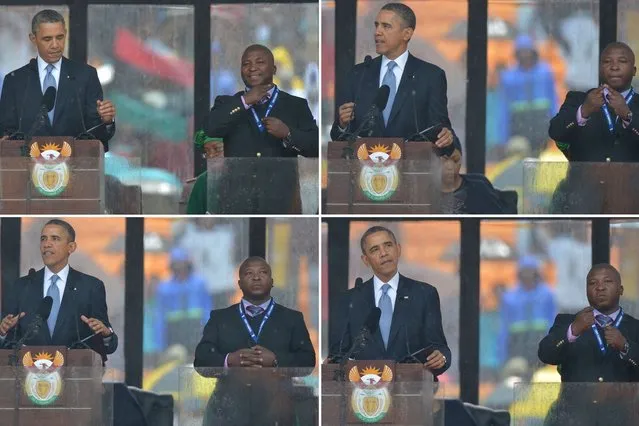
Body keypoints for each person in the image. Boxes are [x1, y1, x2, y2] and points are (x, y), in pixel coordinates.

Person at [194, 256, 316, 425]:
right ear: (239, 283)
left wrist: (275, 360)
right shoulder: (220, 318)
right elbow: (201, 360)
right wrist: (230, 360)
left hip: (277, 413)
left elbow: (308, 362)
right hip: (229, 414)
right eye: (249, 273)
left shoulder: (292, 318)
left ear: (272, 281)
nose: (256, 277)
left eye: (263, 272)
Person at [330, 3, 460, 156]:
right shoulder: (359, 74)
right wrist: (342, 125)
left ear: (407, 34)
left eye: (386, 26)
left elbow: (440, 132)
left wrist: (446, 138)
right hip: (364, 174)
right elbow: (338, 136)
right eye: (376, 25)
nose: (377, 32)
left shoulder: (430, 76)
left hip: (413, 173)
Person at [205, 44, 318, 214]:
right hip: (236, 204)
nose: (252, 68)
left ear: (274, 69)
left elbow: (314, 147)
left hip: (281, 203)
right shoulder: (226, 103)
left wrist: (288, 134)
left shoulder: (296, 105)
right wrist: (245, 101)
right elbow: (211, 128)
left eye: (260, 62)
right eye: (246, 64)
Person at [328, 226, 451, 379]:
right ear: (365, 260)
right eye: (374, 249)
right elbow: (338, 355)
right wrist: (335, 364)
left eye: (388, 245)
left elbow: (440, 348)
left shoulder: (424, 294)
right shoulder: (348, 300)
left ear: (398, 249)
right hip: (363, 393)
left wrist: (441, 358)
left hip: (412, 390)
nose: (384, 253)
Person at [0, 219, 118, 362]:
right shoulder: (22, 286)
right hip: (27, 376)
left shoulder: (91, 287)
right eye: (43, 239)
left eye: (55, 238)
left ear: (71, 247)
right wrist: (2, 332)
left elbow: (108, 344)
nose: (47, 244)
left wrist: (106, 334)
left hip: (75, 378)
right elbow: (7, 340)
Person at [538, 263, 639, 426]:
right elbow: (545, 354)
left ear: (621, 289)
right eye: (593, 283)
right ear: (586, 290)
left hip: (622, 420)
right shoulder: (566, 322)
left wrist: (625, 347)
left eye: (607, 282)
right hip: (574, 420)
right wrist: (573, 330)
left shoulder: (635, 328)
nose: (600, 287)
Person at [0, 10, 116, 151]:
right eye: (47, 39)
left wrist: (107, 121)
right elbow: (6, 133)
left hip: (76, 169)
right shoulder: (15, 81)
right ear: (33, 38)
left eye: (60, 37)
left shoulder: (86, 76)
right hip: (28, 169)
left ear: (66, 34)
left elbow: (96, 137)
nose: (55, 45)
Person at [549, 42, 639, 162]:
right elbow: (555, 132)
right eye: (607, 62)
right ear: (600, 69)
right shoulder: (577, 99)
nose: (614, 67)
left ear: (634, 70)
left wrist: (628, 116)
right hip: (585, 180)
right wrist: (584, 111)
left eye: (622, 61)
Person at [498, 35, 557, 156]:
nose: (525, 55)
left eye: (527, 51)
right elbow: (504, 107)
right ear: (517, 54)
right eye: (521, 52)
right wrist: (503, 137)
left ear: (533, 52)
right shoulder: (509, 77)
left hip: (541, 123)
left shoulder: (545, 72)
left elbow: (552, 98)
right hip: (520, 124)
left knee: (540, 158)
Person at [499, 256, 555, 367]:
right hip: (517, 343)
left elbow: (552, 320)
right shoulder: (509, 297)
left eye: (531, 271)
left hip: (540, 340)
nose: (528, 275)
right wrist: (502, 356)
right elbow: (504, 327)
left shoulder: (547, 294)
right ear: (519, 273)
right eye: (525, 271)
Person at [154, 247, 211, 354]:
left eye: (182, 264)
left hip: (195, 328)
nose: (180, 268)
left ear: (188, 264)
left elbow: (207, 308)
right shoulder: (164, 287)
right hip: (174, 330)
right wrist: (160, 343)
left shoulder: (199, 283)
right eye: (176, 264)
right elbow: (160, 316)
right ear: (172, 266)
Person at [440, 148, 509, 214]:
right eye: (444, 161)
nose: (449, 166)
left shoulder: (478, 188)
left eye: (455, 160)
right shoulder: (430, 193)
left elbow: (498, 220)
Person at [186, 130, 223, 214]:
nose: (211, 155)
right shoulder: (202, 181)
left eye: (217, 149)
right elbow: (192, 220)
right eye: (207, 151)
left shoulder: (244, 178)